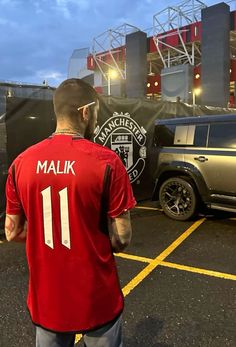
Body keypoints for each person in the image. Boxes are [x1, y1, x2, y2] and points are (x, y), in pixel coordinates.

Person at [5, 78, 136, 347]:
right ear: (86, 112)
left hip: (47, 300)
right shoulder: (107, 162)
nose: (96, 120)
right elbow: (122, 237)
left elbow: (12, 231)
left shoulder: (21, 163)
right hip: (97, 298)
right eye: (96, 113)